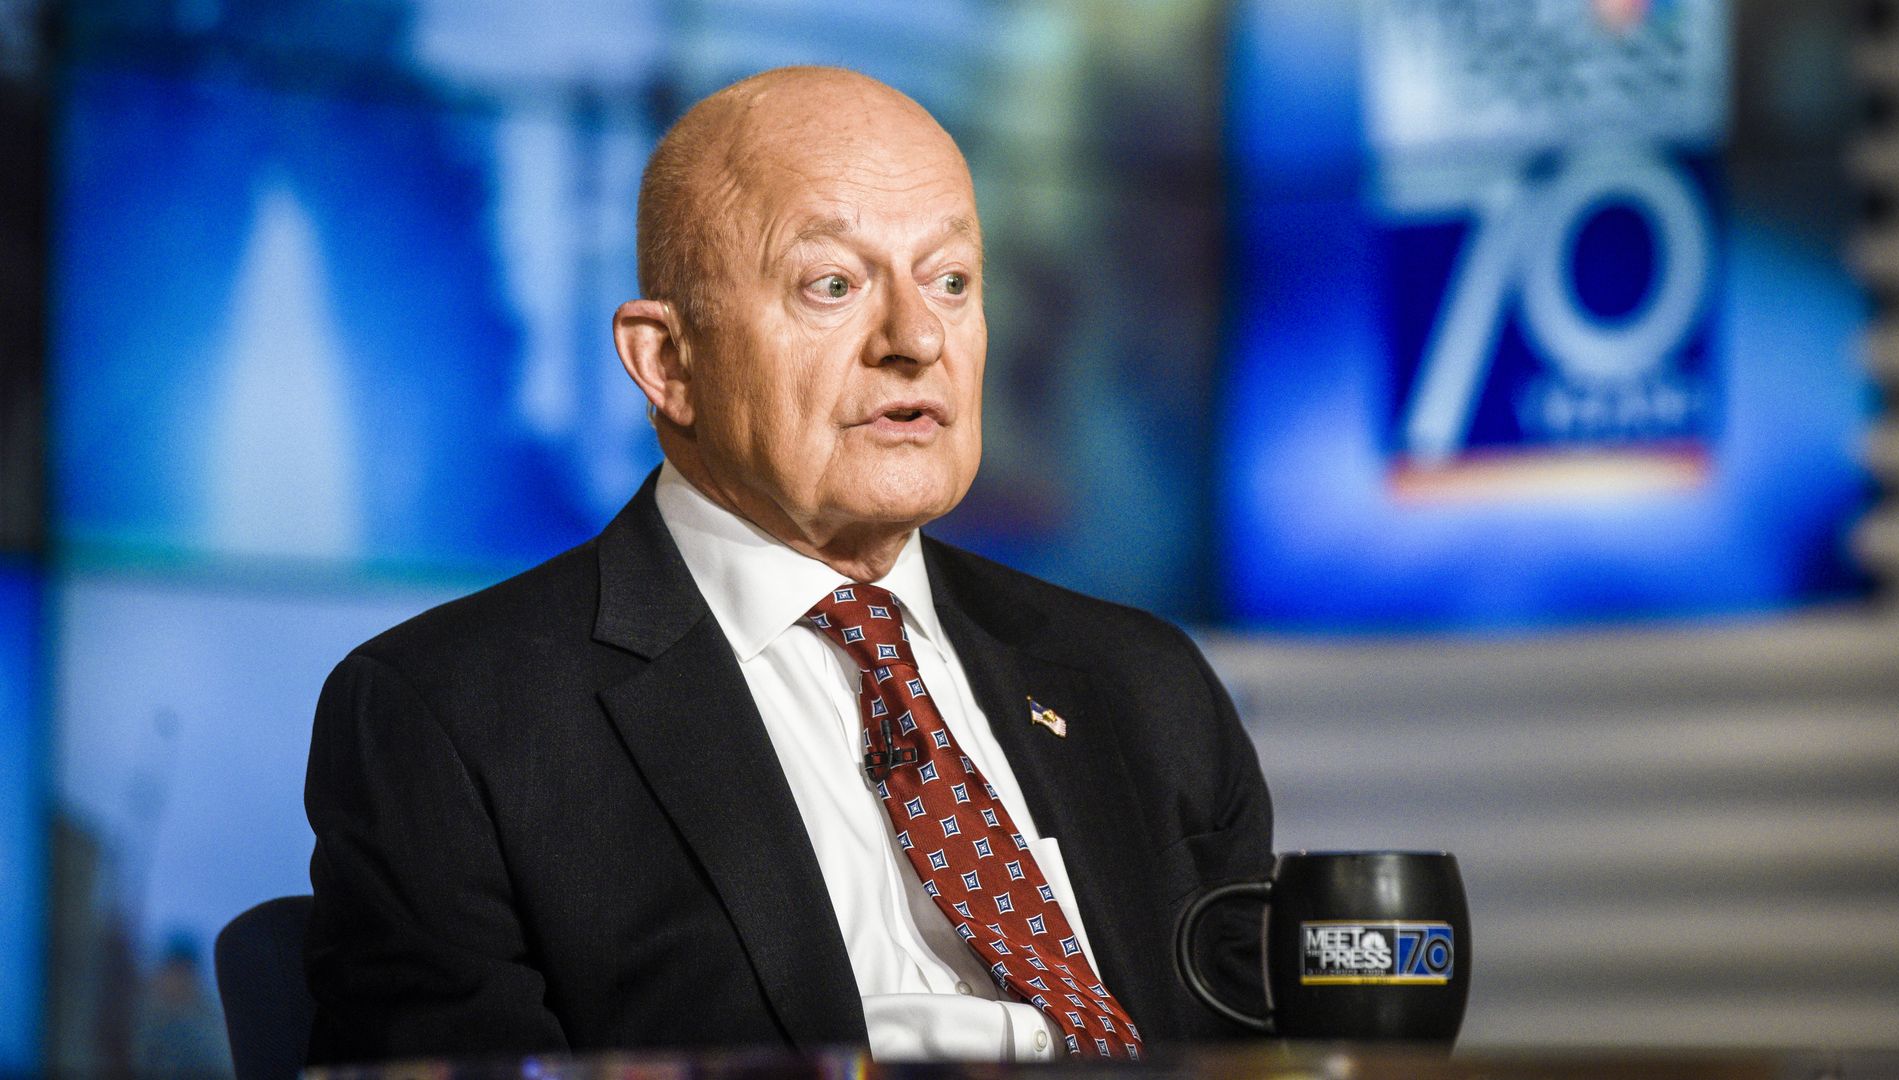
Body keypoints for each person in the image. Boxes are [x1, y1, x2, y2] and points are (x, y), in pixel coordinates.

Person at [304, 66, 1272, 1066]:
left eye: (951, 280)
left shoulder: (1144, 688)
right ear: (667, 362)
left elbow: (1278, 1045)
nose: (914, 340)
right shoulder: (451, 716)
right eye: (833, 286)